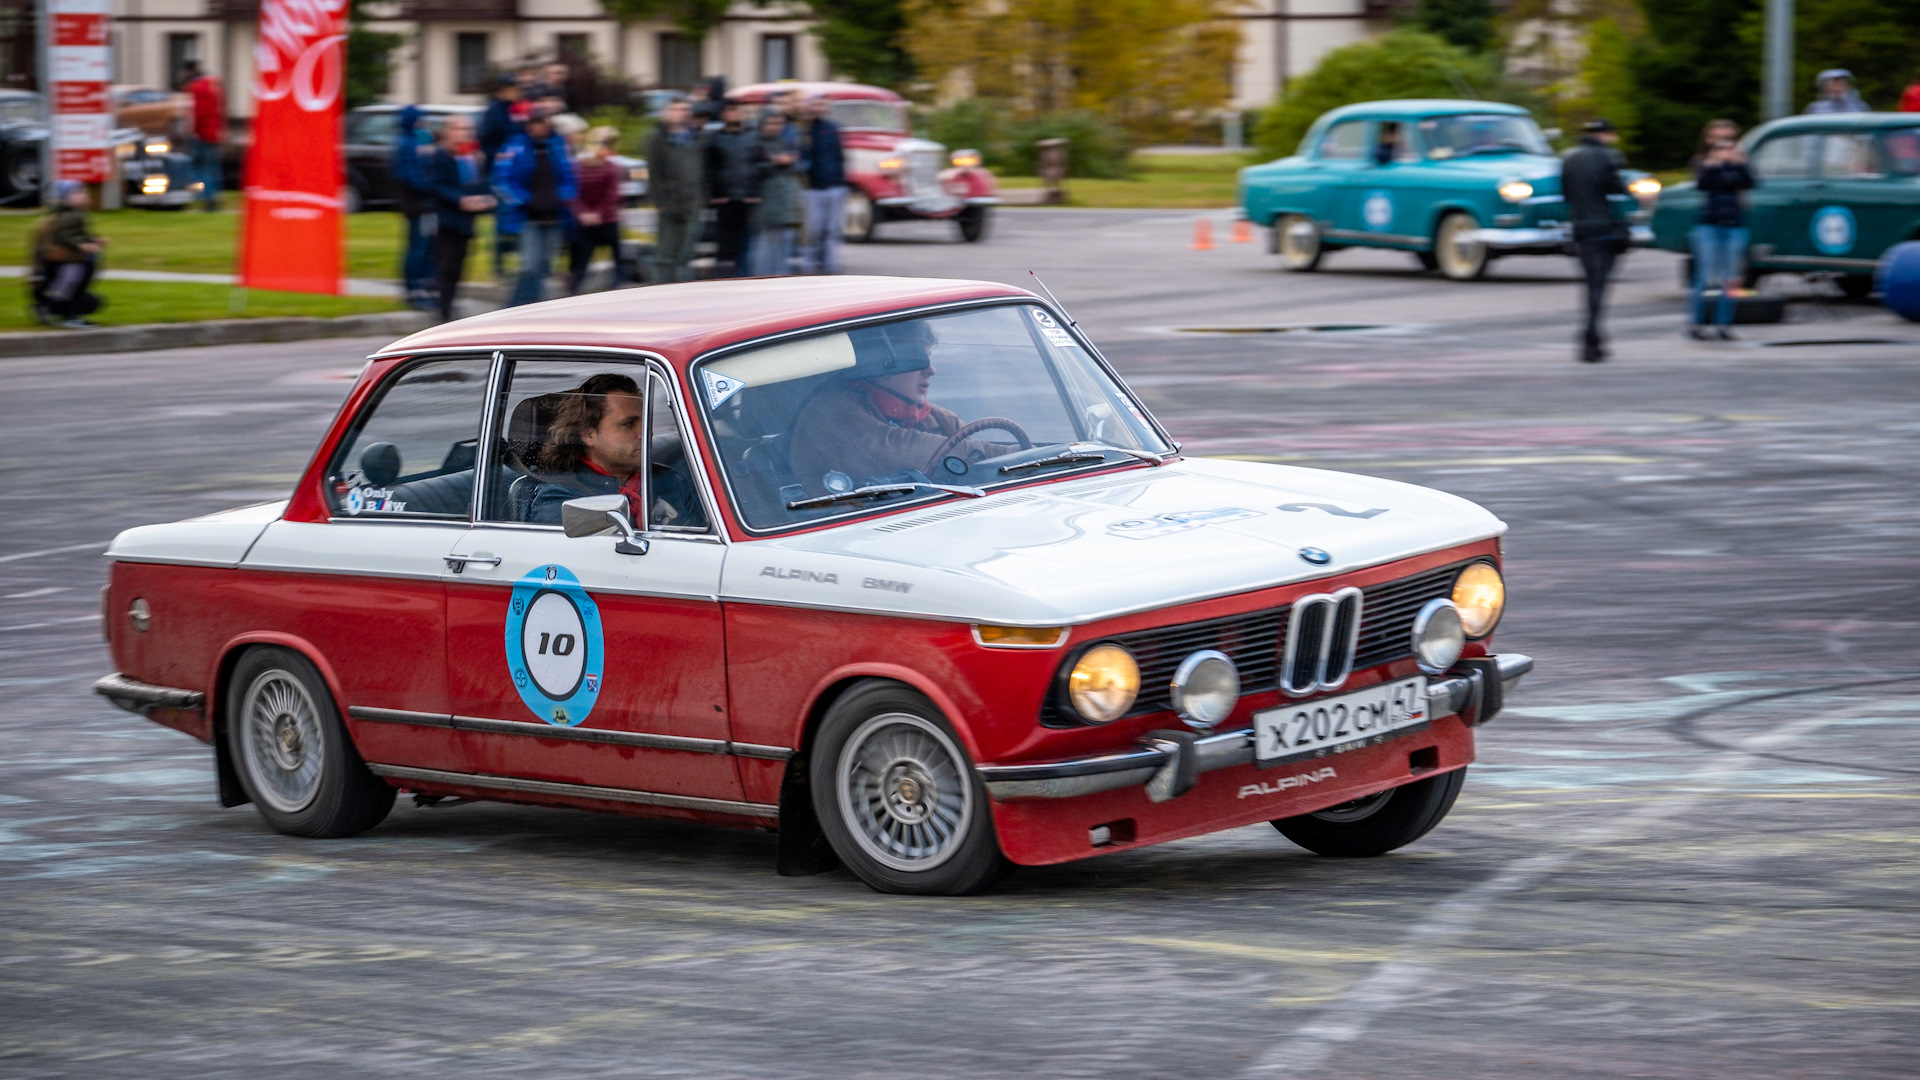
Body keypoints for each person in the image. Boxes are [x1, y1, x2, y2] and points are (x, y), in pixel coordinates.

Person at [788, 322, 1010, 493]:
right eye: (916, 359)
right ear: (879, 362)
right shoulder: (830, 412)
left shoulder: (938, 419)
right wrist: (1004, 454)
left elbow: (979, 468)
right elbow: (885, 448)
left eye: (929, 359)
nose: (931, 370)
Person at [528, 373, 704, 529]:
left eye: (645, 422)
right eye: (628, 424)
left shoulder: (669, 480)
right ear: (589, 434)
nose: (644, 433)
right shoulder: (563, 496)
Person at [1561, 118, 1630, 364]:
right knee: (1599, 288)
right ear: (1606, 135)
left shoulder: (1569, 158)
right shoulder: (1608, 157)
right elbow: (1617, 189)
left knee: (1590, 285)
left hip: (1580, 228)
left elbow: (1567, 194)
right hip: (1604, 228)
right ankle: (1590, 339)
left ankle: (1594, 339)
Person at [496, 109, 578, 306]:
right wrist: (525, 200)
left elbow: (570, 177)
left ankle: (535, 306)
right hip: (528, 216)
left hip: (554, 215)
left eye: (542, 122)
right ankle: (516, 306)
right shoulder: (515, 146)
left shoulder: (558, 146)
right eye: (535, 122)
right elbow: (502, 181)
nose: (539, 127)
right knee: (529, 266)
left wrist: (562, 197)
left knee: (545, 265)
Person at [1688, 120, 1755, 341]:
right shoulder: (1703, 162)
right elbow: (1702, 184)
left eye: (1728, 139)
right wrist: (1713, 164)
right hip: (1710, 224)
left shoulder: (1738, 160)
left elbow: (1748, 182)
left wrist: (1740, 164)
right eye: (1718, 140)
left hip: (1735, 223)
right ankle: (1697, 324)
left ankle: (1724, 324)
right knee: (1705, 276)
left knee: (1731, 278)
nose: (1723, 145)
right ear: (1708, 140)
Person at [427, 114, 496, 323]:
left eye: (470, 129)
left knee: (458, 267)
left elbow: (480, 183)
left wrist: (486, 198)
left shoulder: (473, 157)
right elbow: (437, 185)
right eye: (463, 129)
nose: (468, 133)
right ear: (450, 131)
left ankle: (448, 304)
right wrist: (461, 200)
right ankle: (443, 310)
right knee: (446, 266)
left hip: (466, 222)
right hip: (447, 221)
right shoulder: (442, 155)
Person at [644, 99, 705, 284]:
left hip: (693, 203)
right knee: (664, 255)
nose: (681, 113)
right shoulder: (657, 138)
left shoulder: (697, 138)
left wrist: (703, 198)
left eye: (685, 109)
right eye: (676, 109)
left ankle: (685, 294)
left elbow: (705, 170)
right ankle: (659, 291)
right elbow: (654, 172)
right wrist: (659, 201)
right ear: (667, 112)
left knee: (685, 256)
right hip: (669, 203)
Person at [33, 180, 107, 328]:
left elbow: (79, 233)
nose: (84, 196)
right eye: (78, 193)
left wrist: (93, 240)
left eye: (84, 193)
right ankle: (67, 316)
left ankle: (53, 310)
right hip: (67, 266)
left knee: (85, 296)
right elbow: (67, 236)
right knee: (71, 287)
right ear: (65, 197)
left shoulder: (76, 215)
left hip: (74, 263)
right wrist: (82, 245)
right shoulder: (65, 217)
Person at [706, 101, 761, 277]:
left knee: (747, 241)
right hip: (725, 198)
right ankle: (724, 279)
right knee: (725, 242)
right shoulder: (715, 138)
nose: (733, 114)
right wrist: (714, 193)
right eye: (729, 111)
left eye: (736, 110)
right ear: (723, 115)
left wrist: (756, 192)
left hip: (748, 197)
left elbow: (759, 164)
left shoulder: (753, 136)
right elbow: (709, 168)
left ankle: (745, 277)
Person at [392, 106, 439, 311]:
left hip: (421, 205)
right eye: (420, 120)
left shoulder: (411, 141)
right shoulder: (407, 144)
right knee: (418, 248)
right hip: (419, 206)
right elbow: (412, 177)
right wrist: (433, 186)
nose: (423, 123)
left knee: (425, 247)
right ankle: (414, 290)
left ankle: (422, 288)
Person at [568, 127, 624, 294]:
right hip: (584, 220)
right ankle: (574, 289)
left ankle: (617, 285)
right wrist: (583, 213)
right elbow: (573, 193)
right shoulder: (578, 167)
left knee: (616, 254)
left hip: (606, 219)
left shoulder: (611, 168)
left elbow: (611, 194)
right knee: (581, 258)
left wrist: (598, 213)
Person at [798, 95, 847, 275]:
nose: (818, 108)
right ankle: (810, 267)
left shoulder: (832, 128)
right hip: (813, 187)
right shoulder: (804, 129)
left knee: (832, 230)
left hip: (835, 185)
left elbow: (839, 156)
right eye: (814, 105)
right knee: (813, 231)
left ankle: (830, 268)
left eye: (821, 105)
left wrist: (841, 180)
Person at [751, 108, 801, 276]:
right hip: (766, 204)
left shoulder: (782, 143)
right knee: (766, 246)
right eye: (771, 123)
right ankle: (764, 279)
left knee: (783, 244)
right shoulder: (755, 143)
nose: (775, 127)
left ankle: (779, 279)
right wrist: (775, 163)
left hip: (784, 205)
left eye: (779, 123)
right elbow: (751, 170)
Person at [179, 60, 224, 211]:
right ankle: (215, 197)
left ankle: (208, 198)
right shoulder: (212, 86)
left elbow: (198, 113)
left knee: (198, 166)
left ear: (189, 71)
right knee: (212, 167)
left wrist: (192, 130)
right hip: (214, 132)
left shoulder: (197, 89)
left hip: (202, 133)